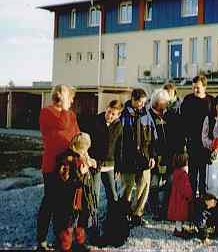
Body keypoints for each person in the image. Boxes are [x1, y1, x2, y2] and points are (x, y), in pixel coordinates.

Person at [37, 84, 80, 251]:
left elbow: (76, 137)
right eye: (70, 97)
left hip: (67, 166)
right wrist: (63, 107)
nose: (72, 100)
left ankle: (60, 238)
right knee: (49, 202)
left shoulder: (71, 115)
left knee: (64, 204)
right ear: (61, 97)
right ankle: (41, 239)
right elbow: (62, 125)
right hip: (52, 166)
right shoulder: (47, 112)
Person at [117, 88, 156, 227]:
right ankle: (123, 215)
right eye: (140, 103)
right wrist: (118, 164)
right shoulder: (122, 115)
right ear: (133, 99)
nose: (142, 105)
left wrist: (153, 156)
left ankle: (137, 214)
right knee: (127, 187)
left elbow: (153, 138)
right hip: (127, 159)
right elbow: (118, 140)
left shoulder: (147, 115)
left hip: (144, 159)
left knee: (144, 187)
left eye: (144, 103)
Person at [54, 132, 97, 252]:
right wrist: (80, 173)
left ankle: (80, 243)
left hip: (81, 195)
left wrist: (92, 166)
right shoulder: (67, 159)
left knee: (82, 219)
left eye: (86, 150)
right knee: (68, 222)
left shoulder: (82, 156)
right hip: (69, 196)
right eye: (83, 150)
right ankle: (65, 246)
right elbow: (65, 179)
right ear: (77, 147)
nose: (85, 152)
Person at [86, 99, 123, 241]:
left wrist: (118, 167)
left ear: (118, 115)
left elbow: (119, 147)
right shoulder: (96, 121)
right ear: (106, 108)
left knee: (112, 195)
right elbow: (88, 142)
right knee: (93, 196)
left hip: (110, 165)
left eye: (113, 114)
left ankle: (112, 223)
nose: (109, 116)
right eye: (108, 112)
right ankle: (93, 227)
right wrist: (89, 159)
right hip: (95, 164)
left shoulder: (119, 126)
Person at [181, 75, 214, 197]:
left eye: (198, 88)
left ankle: (204, 204)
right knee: (192, 177)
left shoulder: (211, 101)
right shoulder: (188, 100)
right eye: (193, 87)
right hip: (192, 143)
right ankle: (192, 205)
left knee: (205, 178)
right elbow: (183, 121)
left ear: (204, 87)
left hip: (206, 144)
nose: (195, 90)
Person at [146, 89, 172, 220]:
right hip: (155, 155)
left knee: (168, 183)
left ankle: (165, 208)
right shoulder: (148, 115)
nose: (167, 104)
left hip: (168, 156)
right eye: (164, 102)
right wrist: (151, 155)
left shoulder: (169, 115)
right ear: (157, 102)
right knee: (154, 184)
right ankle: (154, 209)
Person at [167, 153, 193, 238]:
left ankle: (178, 229)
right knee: (179, 217)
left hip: (176, 200)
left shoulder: (176, 173)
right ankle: (178, 231)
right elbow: (186, 188)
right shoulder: (183, 175)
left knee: (178, 218)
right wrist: (190, 196)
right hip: (181, 201)